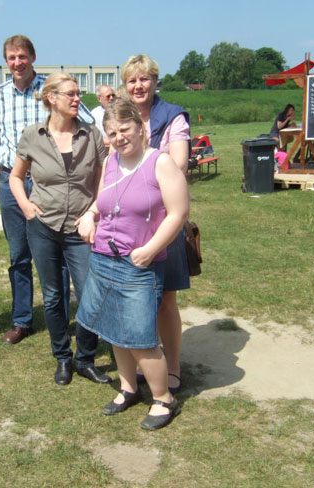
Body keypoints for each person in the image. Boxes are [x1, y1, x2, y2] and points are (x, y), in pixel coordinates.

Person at [77, 99, 189, 430]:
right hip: (103, 259)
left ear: (140, 128)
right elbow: (102, 201)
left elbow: (178, 213)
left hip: (139, 265)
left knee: (140, 338)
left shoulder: (160, 162)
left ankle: (164, 399)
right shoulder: (110, 160)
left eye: (124, 129)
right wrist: (89, 216)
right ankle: (128, 388)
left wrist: (151, 249)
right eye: (112, 133)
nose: (119, 137)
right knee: (114, 329)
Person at [0, 35, 93, 345]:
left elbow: (87, 121)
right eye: (12, 58)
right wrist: (1, 145)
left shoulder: (52, 90)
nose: (17, 63)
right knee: (18, 255)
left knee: (60, 253)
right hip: (12, 180)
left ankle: (63, 318)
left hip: (50, 182)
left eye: (22, 56)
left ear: (32, 57)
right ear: (6, 62)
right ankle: (22, 320)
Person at [9, 73, 111, 386]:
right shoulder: (32, 135)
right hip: (43, 226)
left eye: (78, 93)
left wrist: (93, 211)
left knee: (89, 293)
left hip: (81, 228)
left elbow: (104, 178)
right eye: (70, 94)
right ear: (51, 98)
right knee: (53, 295)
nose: (77, 98)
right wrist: (26, 206)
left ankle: (85, 359)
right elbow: (15, 176)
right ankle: (63, 358)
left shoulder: (91, 134)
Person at [121, 54, 190, 394]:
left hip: (163, 220)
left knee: (165, 301)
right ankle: (143, 363)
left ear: (155, 81)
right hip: (127, 222)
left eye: (144, 79)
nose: (138, 86)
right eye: (132, 80)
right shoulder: (120, 116)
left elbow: (179, 164)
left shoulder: (173, 116)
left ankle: (173, 366)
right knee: (134, 298)